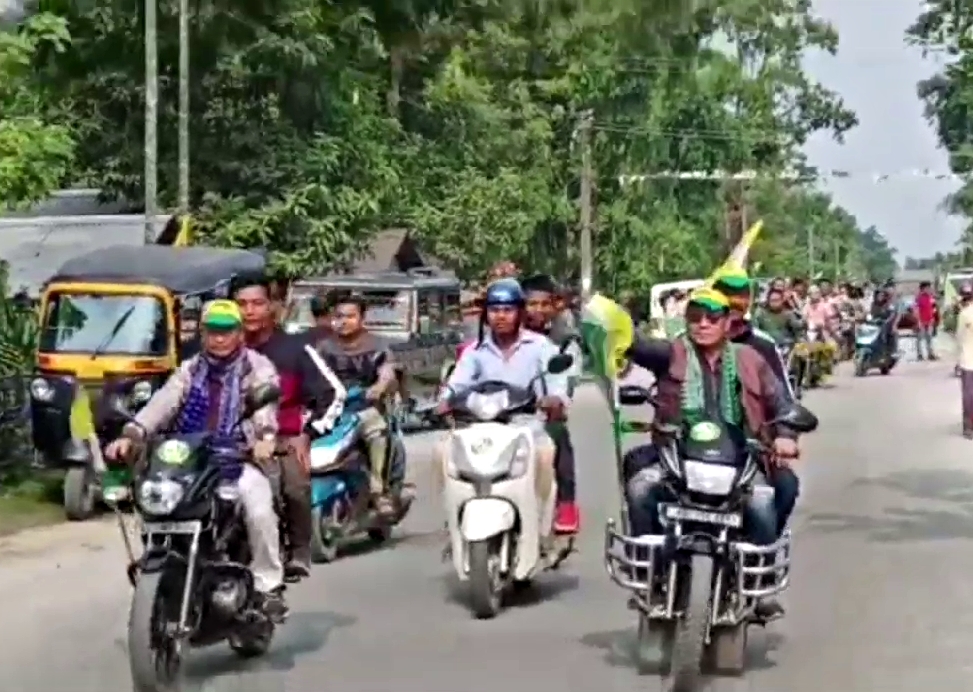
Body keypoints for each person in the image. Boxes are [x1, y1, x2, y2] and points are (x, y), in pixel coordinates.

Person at [620, 287, 800, 621]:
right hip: (677, 456)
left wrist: (785, 436)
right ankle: (648, 574)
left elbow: (782, 403)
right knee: (639, 487)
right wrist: (609, 318)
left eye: (711, 318)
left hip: (741, 457)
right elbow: (635, 345)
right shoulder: (671, 353)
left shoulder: (751, 359)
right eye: (694, 317)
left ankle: (758, 581)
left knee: (773, 496)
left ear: (728, 323)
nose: (702, 324)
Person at [104, 300, 287, 618]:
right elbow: (163, 404)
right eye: (212, 331)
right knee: (156, 501)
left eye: (226, 331)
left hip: (236, 459)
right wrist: (132, 434)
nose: (218, 339)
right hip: (189, 460)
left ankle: (267, 584)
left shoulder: (257, 367)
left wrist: (265, 438)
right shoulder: (189, 370)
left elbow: (265, 406)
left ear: (239, 333)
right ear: (202, 334)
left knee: (258, 509)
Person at [435, 279, 571, 530]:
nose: (501, 316)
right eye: (495, 310)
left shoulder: (541, 347)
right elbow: (458, 381)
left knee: (545, 453)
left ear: (519, 312)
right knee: (443, 451)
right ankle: (454, 515)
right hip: (479, 423)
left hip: (526, 422)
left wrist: (554, 399)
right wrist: (445, 399)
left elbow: (557, 383)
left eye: (508, 310)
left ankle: (540, 517)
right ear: (486, 315)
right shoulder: (475, 351)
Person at [235, 278, 332, 580]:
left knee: (293, 486)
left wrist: (307, 435)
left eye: (258, 303)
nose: (249, 311)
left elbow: (330, 394)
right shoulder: (218, 351)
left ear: (274, 308)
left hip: (283, 437)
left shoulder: (296, 349)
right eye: (242, 305)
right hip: (229, 440)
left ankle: (298, 551)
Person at [307, 292, 400, 516]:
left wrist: (378, 387)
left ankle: (379, 491)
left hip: (363, 408)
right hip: (328, 410)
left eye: (350, 316)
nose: (343, 321)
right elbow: (308, 374)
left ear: (361, 318)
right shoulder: (322, 348)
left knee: (376, 432)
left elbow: (387, 373)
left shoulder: (377, 346)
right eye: (339, 316)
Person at [521, 274, 581, 533]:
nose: (538, 311)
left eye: (544, 304)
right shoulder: (506, 337)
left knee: (559, 437)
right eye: (531, 304)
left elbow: (567, 380)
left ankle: (566, 504)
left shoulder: (565, 341)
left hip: (544, 415)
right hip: (505, 413)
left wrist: (555, 400)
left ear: (555, 306)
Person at [956, 284, 973, 437]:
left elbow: (959, 337)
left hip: (968, 359)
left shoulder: (965, 314)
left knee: (968, 394)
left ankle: (968, 427)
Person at [914, 282, 938, 361]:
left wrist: (934, 318)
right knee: (920, 338)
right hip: (921, 321)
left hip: (929, 321)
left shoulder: (931, 297)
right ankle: (919, 354)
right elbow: (916, 310)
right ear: (923, 289)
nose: (929, 289)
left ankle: (930, 353)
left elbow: (934, 308)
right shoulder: (918, 298)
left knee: (929, 338)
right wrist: (918, 321)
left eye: (929, 288)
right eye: (927, 288)